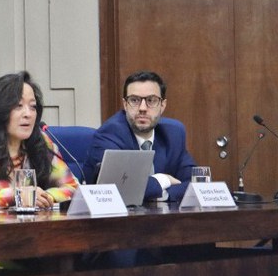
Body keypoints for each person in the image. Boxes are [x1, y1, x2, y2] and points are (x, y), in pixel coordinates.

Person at [0, 71, 78, 209]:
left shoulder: (41, 142)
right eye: (18, 106)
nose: (28, 114)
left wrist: (44, 197)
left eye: (33, 107)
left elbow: (75, 189)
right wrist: (16, 195)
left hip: (34, 228)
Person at [84, 70, 197, 202]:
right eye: (134, 100)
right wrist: (163, 180)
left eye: (151, 100)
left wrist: (161, 194)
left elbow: (195, 184)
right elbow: (118, 190)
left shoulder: (174, 133)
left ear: (162, 105)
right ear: (125, 104)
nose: (142, 108)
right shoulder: (109, 134)